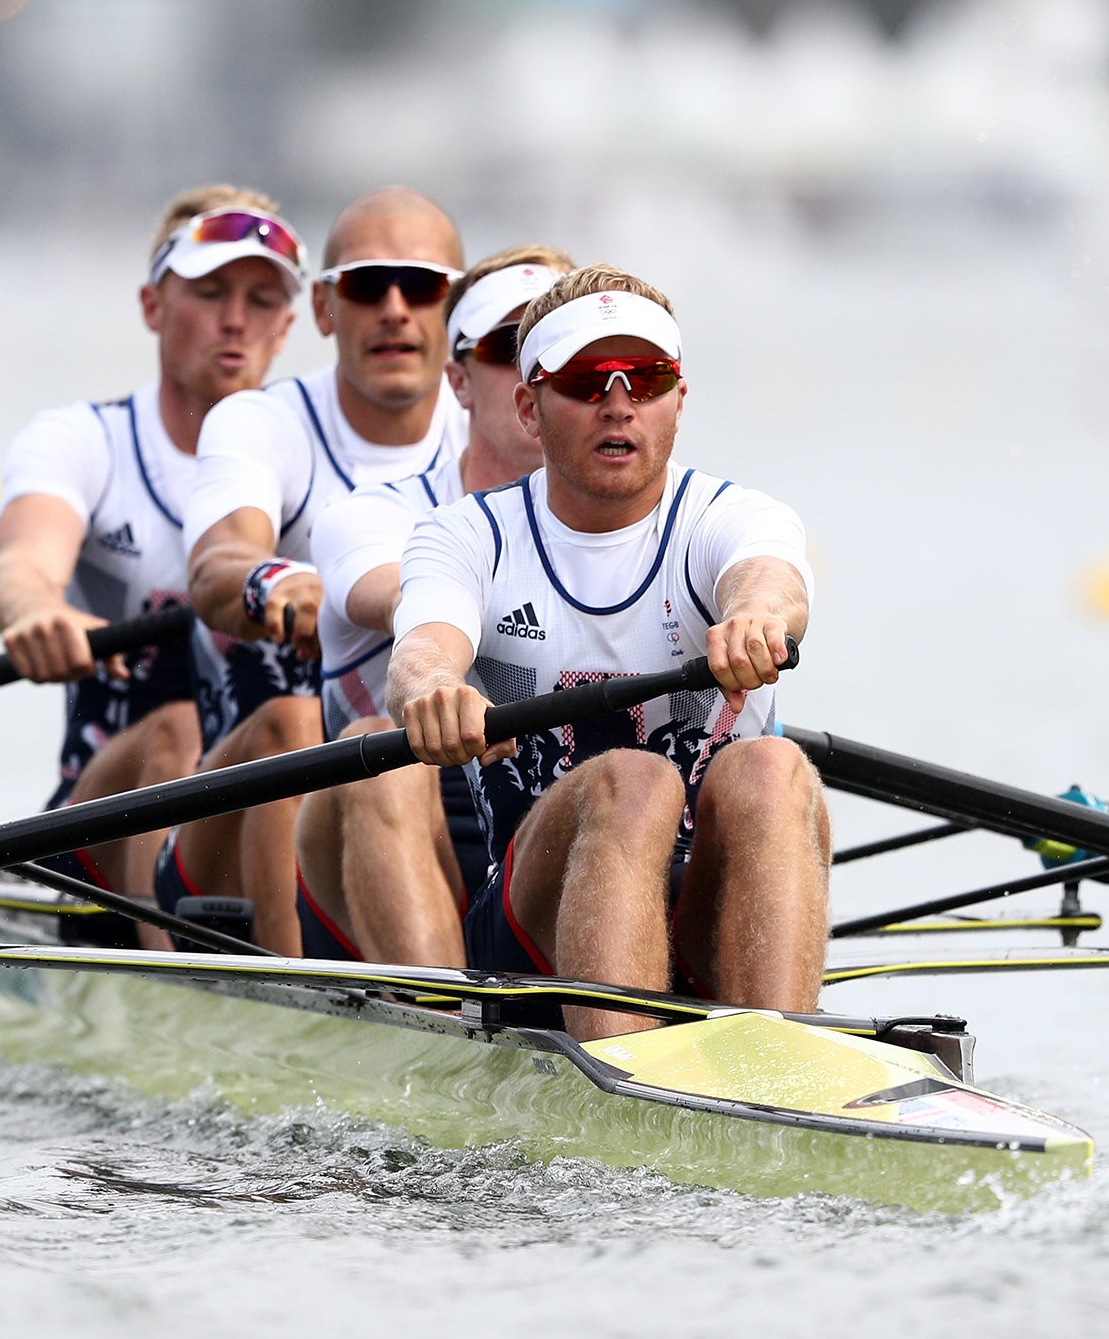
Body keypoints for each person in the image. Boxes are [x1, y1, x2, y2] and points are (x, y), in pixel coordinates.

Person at [386, 264, 832, 1039]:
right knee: (635, 780)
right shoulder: (466, 535)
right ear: (530, 406)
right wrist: (434, 690)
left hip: (711, 919)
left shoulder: (733, 517)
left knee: (772, 768)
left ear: (679, 401)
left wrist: (756, 618)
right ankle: (626, 1088)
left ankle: (781, 1060)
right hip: (532, 936)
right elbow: (423, 648)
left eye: (648, 378)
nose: (620, 403)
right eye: (588, 380)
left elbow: (769, 582)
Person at [0, 186, 304, 944]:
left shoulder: (314, 454)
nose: (236, 319)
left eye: (262, 299)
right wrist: (35, 609)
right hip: (99, 812)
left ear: (289, 326)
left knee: (294, 734)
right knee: (176, 728)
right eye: (209, 292)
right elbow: (23, 561)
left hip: (258, 801)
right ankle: (166, 974)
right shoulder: (85, 441)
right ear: (152, 305)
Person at [170, 186, 469, 955]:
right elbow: (217, 563)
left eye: (422, 285)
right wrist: (273, 582)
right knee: (302, 726)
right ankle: (292, 989)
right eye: (369, 286)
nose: (396, 308)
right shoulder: (262, 422)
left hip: (434, 794)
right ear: (327, 311)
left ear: (456, 309)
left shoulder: (501, 430)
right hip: (238, 813)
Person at [295, 247, 570, 966]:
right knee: (377, 755)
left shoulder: (658, 533)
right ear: (459, 380)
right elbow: (404, 594)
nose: (540, 376)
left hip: (555, 865)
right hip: (374, 859)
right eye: (511, 349)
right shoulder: (372, 517)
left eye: (567, 353)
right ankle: (440, 1028)